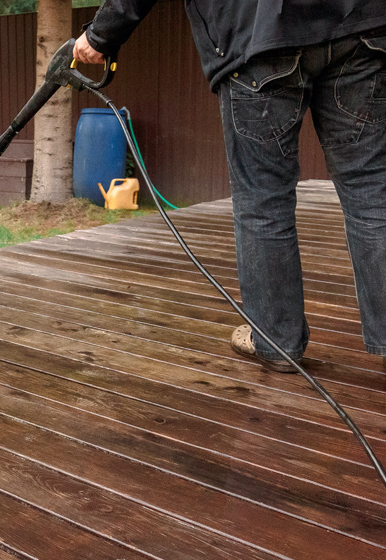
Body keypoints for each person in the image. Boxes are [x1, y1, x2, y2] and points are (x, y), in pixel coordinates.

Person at [73, 0, 386, 373]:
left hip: (258, 38)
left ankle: (276, 341)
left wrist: (100, 34)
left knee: (263, 202)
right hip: (359, 29)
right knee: (372, 192)